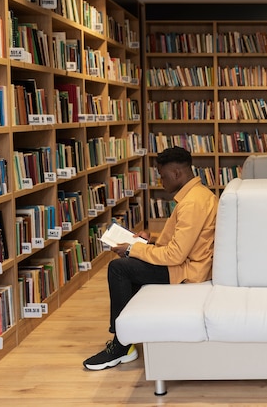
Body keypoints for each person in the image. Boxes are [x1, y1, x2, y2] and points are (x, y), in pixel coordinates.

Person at [83, 146, 219, 370]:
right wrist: (147, 242)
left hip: (188, 271)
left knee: (119, 268)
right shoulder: (197, 195)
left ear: (176, 174)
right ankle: (127, 338)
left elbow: (175, 255)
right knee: (129, 266)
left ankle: (120, 345)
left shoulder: (192, 203)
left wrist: (132, 249)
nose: (160, 181)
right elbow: (183, 243)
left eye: (163, 176)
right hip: (186, 263)